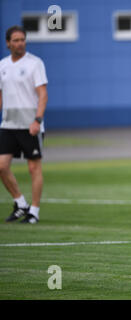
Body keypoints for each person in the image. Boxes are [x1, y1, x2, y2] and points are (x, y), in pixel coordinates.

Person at [0, 25, 48, 224]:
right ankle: (20, 203)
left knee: (33, 168)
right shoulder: (2, 65)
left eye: (23, 40)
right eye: (16, 40)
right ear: (8, 43)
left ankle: (34, 211)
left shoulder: (34, 64)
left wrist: (37, 120)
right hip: (8, 124)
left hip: (30, 125)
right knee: (1, 166)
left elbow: (42, 94)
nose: (20, 43)